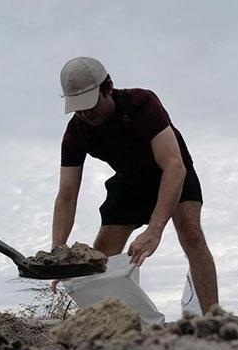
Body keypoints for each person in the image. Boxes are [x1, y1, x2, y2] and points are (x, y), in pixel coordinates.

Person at [51, 57, 219, 313]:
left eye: (90, 104)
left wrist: (154, 230)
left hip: (170, 171)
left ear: (108, 88)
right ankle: (105, 323)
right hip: (130, 180)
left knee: (191, 233)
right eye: (78, 108)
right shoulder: (76, 132)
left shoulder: (142, 104)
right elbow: (67, 195)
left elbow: (174, 167)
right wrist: (58, 251)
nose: (86, 113)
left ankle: (214, 319)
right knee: (101, 256)